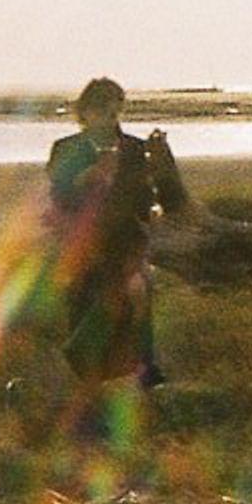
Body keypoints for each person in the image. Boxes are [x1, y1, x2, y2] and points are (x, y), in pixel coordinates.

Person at [43, 78, 187, 425]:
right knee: (84, 303)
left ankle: (143, 376)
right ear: (86, 112)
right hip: (83, 243)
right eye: (101, 109)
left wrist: (162, 164)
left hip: (125, 242)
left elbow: (158, 203)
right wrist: (87, 177)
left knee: (133, 297)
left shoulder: (135, 150)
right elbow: (59, 197)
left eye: (114, 108)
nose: (109, 116)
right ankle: (86, 388)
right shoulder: (66, 148)